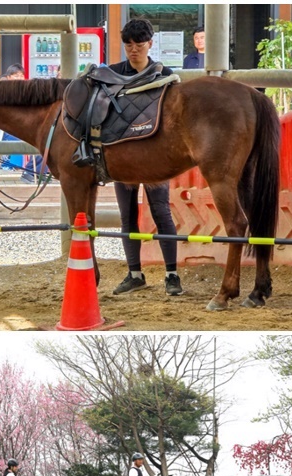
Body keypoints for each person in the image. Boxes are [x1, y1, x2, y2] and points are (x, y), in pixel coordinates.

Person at [109, 18, 184, 297]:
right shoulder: (113, 74)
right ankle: (134, 273)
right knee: (127, 217)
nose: (133, 50)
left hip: (154, 157)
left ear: (150, 43)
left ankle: (172, 274)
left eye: (139, 44)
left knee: (161, 212)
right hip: (123, 155)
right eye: (128, 45)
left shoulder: (165, 75)